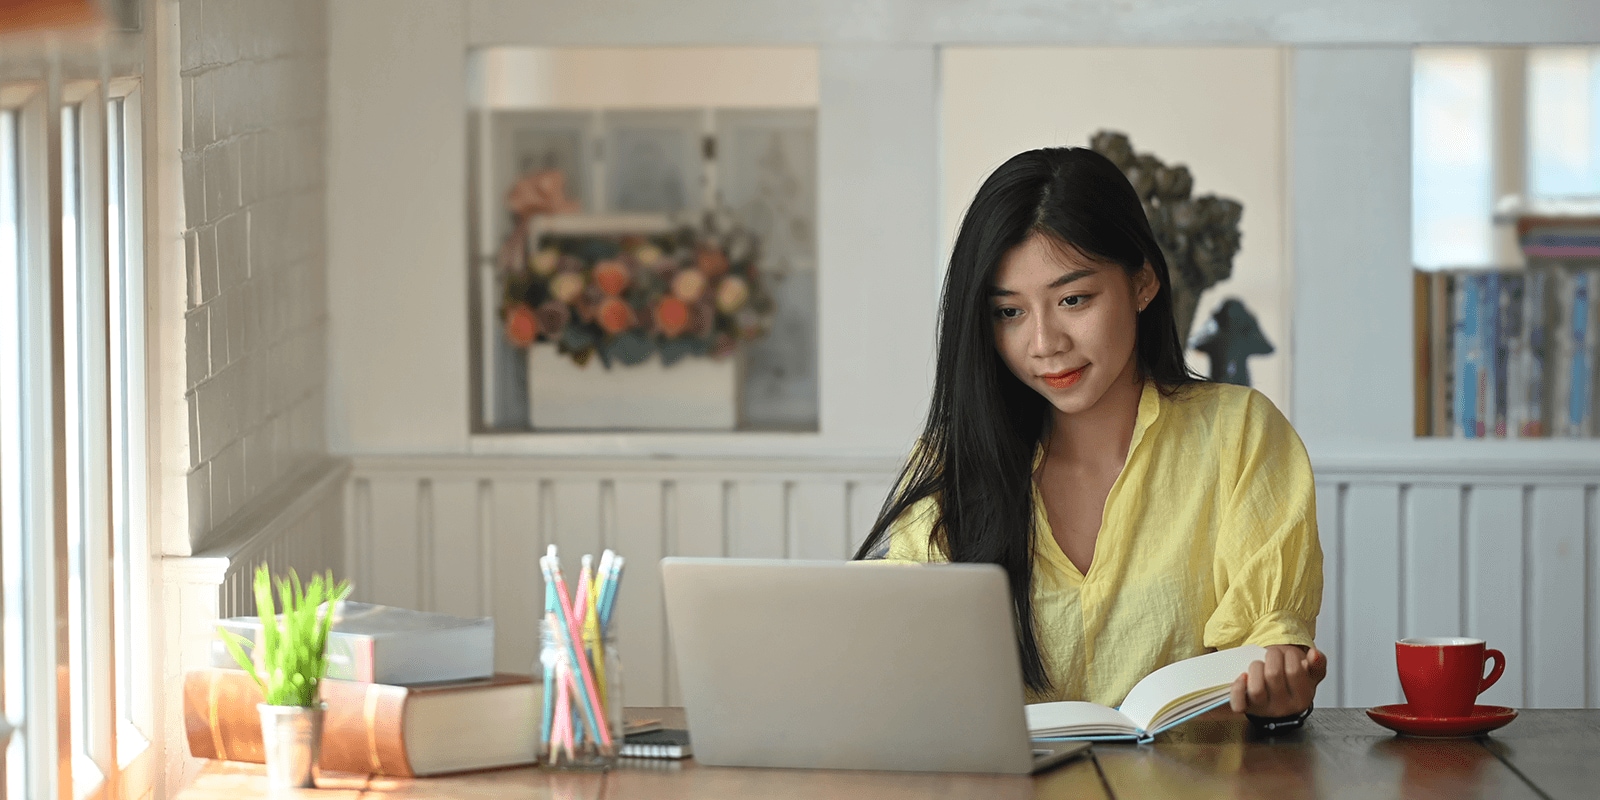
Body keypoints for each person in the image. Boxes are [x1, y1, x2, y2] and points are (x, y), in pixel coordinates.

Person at [854, 147, 1325, 726]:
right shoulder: (951, 460)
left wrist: (1280, 693)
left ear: (1144, 282)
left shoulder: (1242, 435)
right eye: (1009, 313)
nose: (1044, 342)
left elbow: (1269, 644)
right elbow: (883, 642)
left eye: (1073, 299)